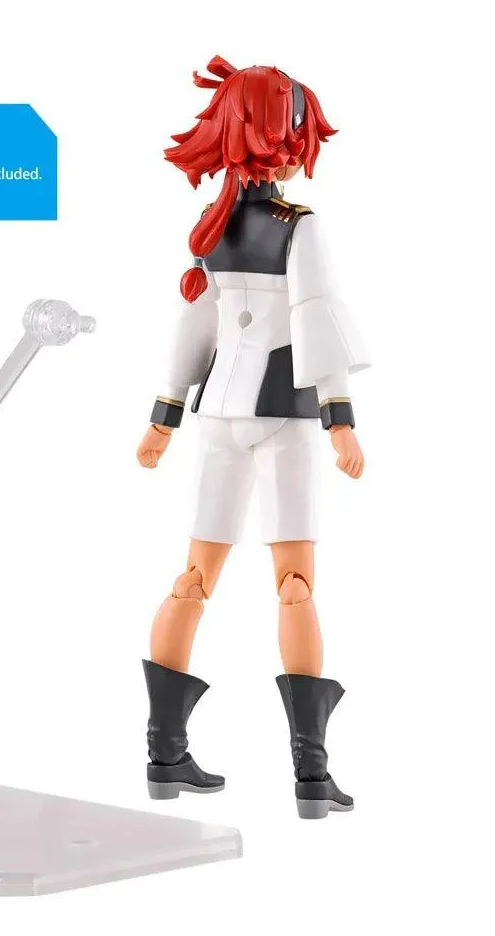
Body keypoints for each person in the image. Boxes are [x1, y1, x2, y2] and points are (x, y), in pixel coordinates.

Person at [138, 58, 370, 819]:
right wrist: (340, 418)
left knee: (192, 579)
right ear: (285, 134)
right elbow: (314, 314)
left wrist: (165, 415)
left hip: (218, 419)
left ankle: (163, 755)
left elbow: (195, 326)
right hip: (285, 416)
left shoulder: (212, 229)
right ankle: (312, 774)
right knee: (294, 584)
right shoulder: (298, 226)